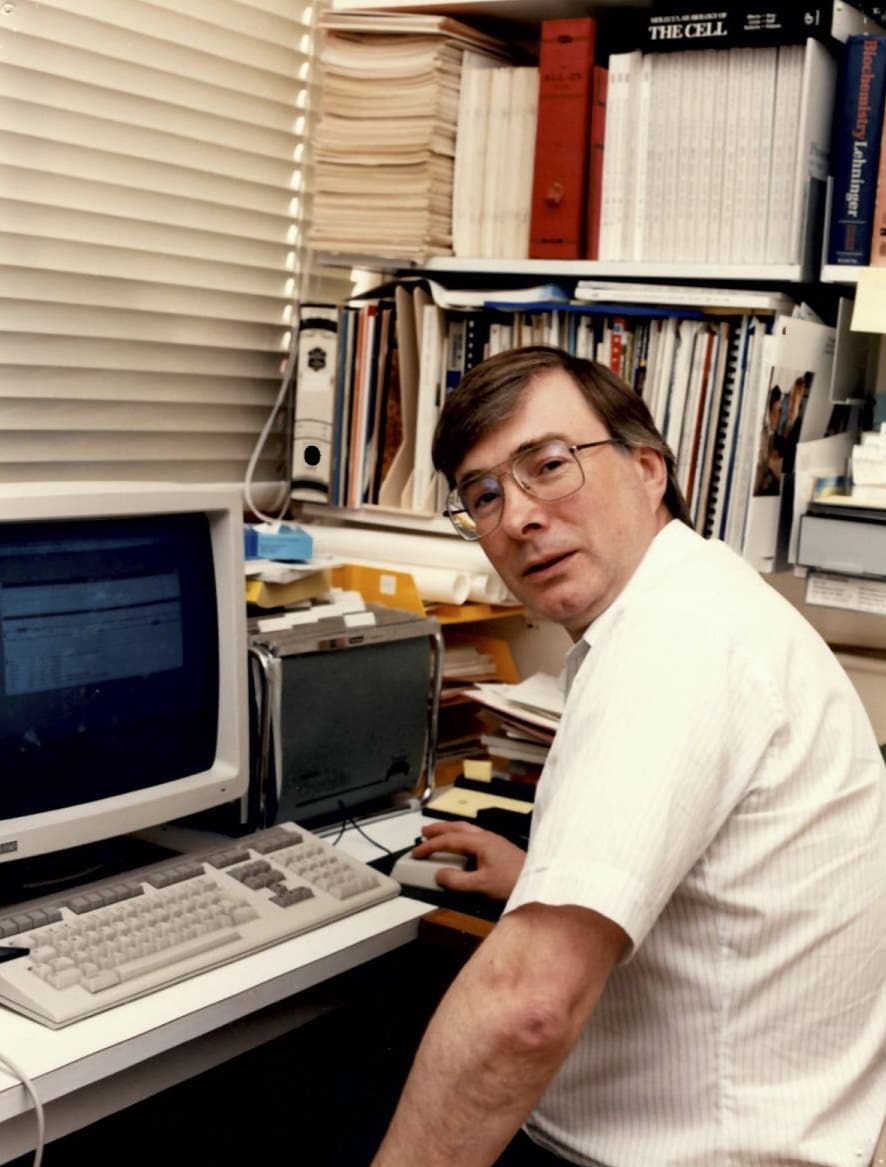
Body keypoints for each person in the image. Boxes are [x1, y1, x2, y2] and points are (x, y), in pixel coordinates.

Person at [369, 345, 886, 1167]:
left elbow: (528, 1007)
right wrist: (539, 875)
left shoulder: (673, 642)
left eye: (549, 463)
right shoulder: (705, 597)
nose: (519, 517)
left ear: (649, 469)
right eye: (484, 495)